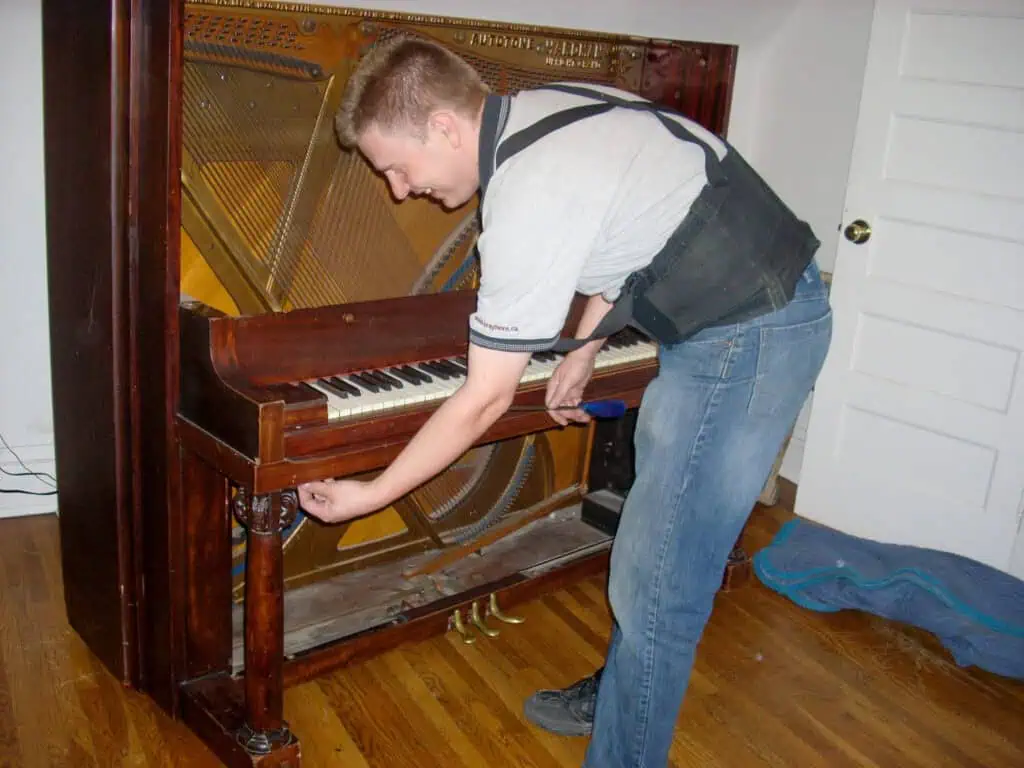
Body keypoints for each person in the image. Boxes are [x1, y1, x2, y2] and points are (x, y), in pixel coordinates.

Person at [297, 35, 832, 768]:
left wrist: (370, 494)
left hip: (750, 337)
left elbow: (483, 402)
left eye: (396, 165)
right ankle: (625, 690)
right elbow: (632, 233)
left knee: (657, 587)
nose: (398, 188)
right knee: (656, 555)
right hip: (739, 316)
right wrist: (582, 347)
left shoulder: (526, 193)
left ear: (446, 128)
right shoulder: (545, 107)